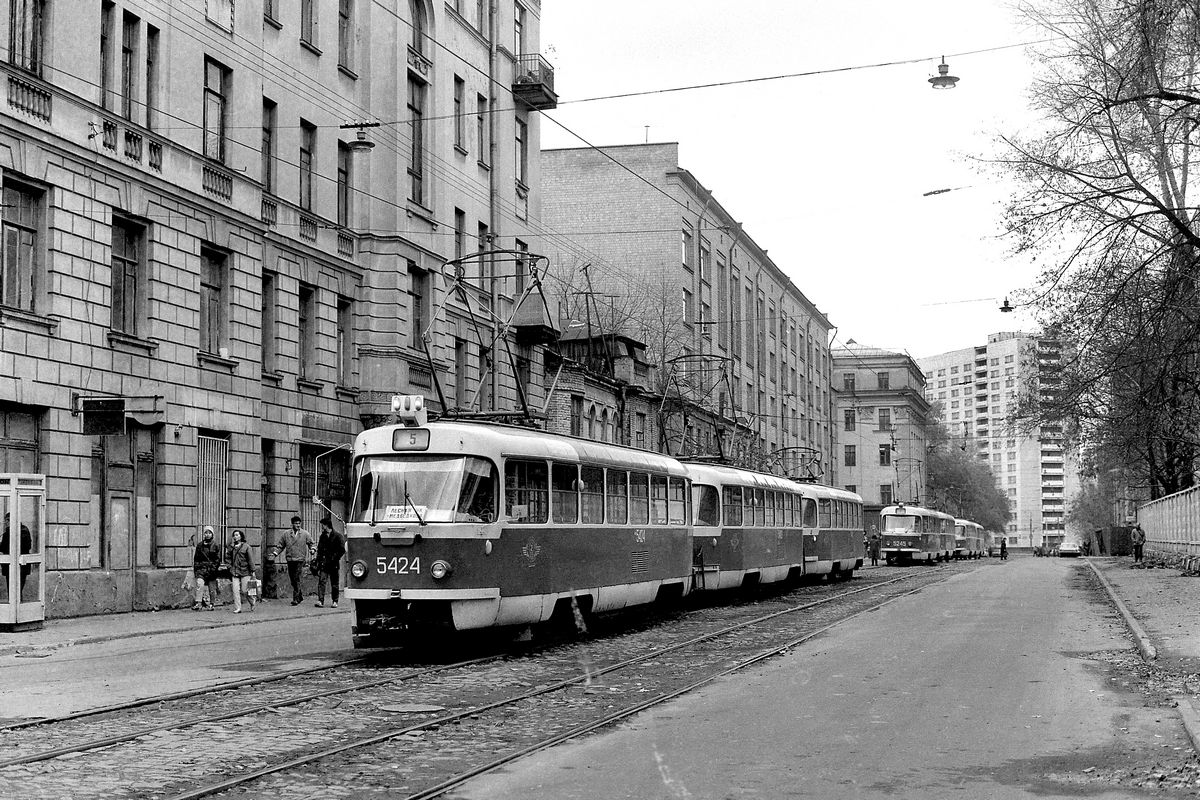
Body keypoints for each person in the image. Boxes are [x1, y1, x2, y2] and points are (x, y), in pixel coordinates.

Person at [270, 515, 315, 605]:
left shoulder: (305, 534)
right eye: (296, 523)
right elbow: (280, 546)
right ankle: (300, 596)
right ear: (292, 524)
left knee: (297, 578)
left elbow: (311, 543)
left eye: (299, 523)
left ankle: (295, 599)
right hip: (290, 559)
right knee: (292, 579)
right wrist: (275, 554)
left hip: (300, 559)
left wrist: (312, 549)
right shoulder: (286, 534)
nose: (298, 525)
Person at [313, 517, 346, 609]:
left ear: (327, 525)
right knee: (322, 581)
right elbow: (319, 550)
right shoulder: (322, 536)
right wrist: (318, 561)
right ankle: (320, 600)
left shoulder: (337, 536)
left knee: (334, 583)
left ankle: (335, 601)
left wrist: (334, 557)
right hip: (324, 563)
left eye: (322, 525)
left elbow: (342, 549)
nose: (322, 527)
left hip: (334, 563)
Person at [1, 513, 32, 601]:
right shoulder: (25, 529)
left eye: (6, 521)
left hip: (11, 566)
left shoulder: (10, 532)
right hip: (23, 565)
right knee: (18, 591)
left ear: (11, 520)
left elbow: (4, 547)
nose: (5, 523)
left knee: (13, 591)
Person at [226, 529, 257, 613]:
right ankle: (238, 608)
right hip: (235, 571)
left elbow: (250, 560)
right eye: (234, 535)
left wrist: (253, 571)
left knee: (245, 590)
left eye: (237, 535)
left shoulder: (247, 547)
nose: (235, 537)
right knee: (235, 590)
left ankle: (252, 601)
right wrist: (229, 567)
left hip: (245, 571)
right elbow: (228, 558)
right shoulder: (231, 547)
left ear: (241, 536)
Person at [192, 526, 222, 610]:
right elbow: (196, 559)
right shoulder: (199, 545)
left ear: (212, 534)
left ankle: (212, 604)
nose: (207, 535)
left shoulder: (215, 545)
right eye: (206, 533)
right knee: (199, 584)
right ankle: (198, 603)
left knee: (212, 588)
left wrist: (213, 568)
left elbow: (217, 559)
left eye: (209, 533)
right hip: (201, 569)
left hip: (211, 570)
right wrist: (197, 569)